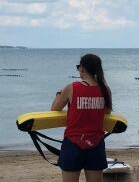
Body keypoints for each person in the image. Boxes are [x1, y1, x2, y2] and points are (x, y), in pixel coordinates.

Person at [52, 53, 112, 182]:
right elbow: (107, 112)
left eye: (78, 67)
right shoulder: (105, 90)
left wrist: (58, 93)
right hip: (96, 144)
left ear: (82, 69)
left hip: (72, 144)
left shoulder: (71, 88)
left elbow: (55, 109)